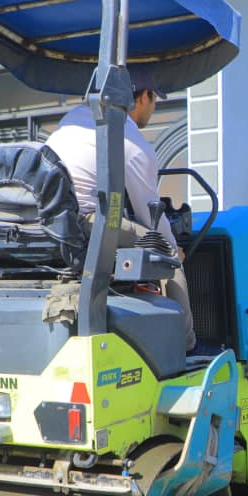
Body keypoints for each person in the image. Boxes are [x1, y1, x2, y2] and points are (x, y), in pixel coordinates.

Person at [45, 66, 200, 353]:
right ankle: (186, 346)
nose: (153, 108)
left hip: (49, 219)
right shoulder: (130, 141)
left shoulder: (74, 118)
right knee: (165, 254)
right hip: (84, 222)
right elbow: (148, 215)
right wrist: (175, 248)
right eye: (155, 100)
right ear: (143, 97)